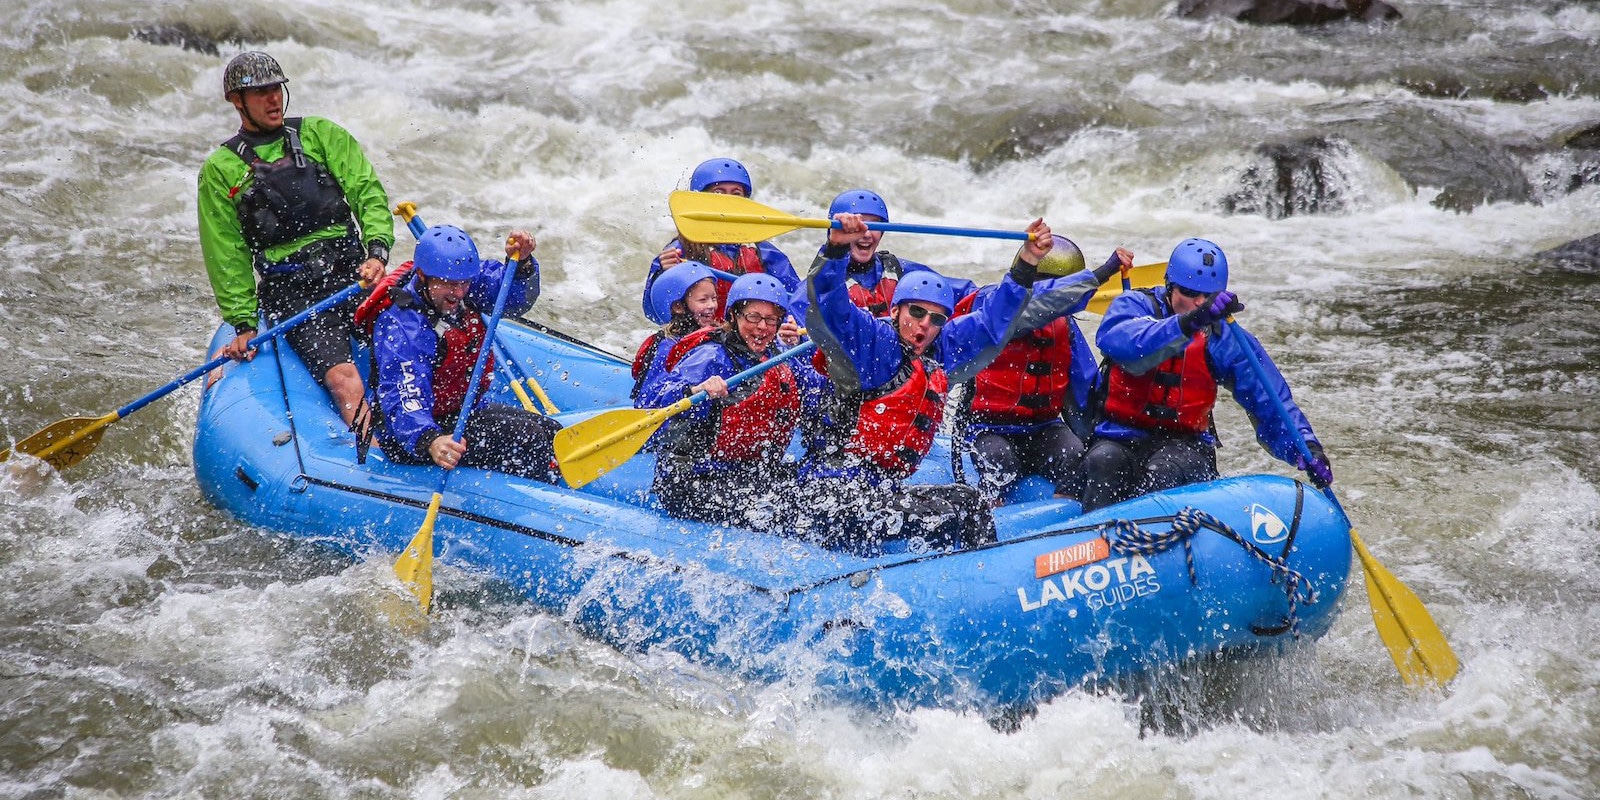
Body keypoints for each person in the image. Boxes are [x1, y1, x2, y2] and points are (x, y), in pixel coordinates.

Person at [794, 213, 1054, 552]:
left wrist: (1027, 263)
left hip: (881, 490)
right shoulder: (872, 342)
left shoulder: (939, 348)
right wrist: (835, 248)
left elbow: (992, 323)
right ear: (898, 310)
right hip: (833, 493)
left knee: (969, 502)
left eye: (936, 319)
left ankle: (978, 576)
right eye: (916, 313)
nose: (923, 325)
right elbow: (831, 302)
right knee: (946, 516)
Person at [197, 51, 395, 429]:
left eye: (276, 89)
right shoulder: (221, 170)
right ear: (237, 101)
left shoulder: (322, 134)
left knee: (414, 346)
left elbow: (366, 192)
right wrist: (243, 323)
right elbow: (226, 251)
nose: (273, 99)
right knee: (343, 379)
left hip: (354, 272)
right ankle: (371, 453)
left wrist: (377, 251)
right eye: (261, 93)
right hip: (294, 293)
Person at [1080, 238, 1333, 511]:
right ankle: (1093, 544)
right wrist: (1189, 323)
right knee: (1102, 462)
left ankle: (1161, 543)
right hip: (1119, 436)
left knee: (1162, 472)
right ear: (1170, 286)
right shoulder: (1134, 306)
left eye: (1207, 297)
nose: (1199, 303)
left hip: (1185, 447)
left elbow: (1270, 400)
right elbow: (1120, 342)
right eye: (1190, 293)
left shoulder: (1223, 337)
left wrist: (1306, 446)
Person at [366, 225, 560, 481]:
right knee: (527, 438)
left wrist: (522, 264)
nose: (458, 293)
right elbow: (403, 395)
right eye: (449, 285)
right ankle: (533, 505)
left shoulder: (461, 284)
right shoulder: (403, 327)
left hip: (458, 414)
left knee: (551, 431)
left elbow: (511, 299)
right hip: (418, 436)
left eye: (463, 283)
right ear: (423, 276)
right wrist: (431, 441)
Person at [637, 274, 825, 528]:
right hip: (694, 478)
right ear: (735, 316)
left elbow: (819, 396)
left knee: (821, 495)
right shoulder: (712, 355)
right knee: (783, 511)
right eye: (753, 317)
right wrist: (694, 389)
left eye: (771, 320)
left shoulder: (780, 358)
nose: (762, 328)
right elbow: (649, 402)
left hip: (749, 473)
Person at [955, 238, 1134, 504]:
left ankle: (1070, 527)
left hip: (1043, 429)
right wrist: (1104, 272)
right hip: (990, 428)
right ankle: (992, 518)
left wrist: (1107, 437)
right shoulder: (992, 307)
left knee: (1075, 455)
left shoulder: (1065, 328)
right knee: (999, 461)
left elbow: (1084, 390)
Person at [641, 157, 800, 318]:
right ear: (700, 200)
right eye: (718, 193)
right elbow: (654, 313)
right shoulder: (678, 252)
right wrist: (663, 275)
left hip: (752, 335)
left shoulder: (764, 251)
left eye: (736, 194)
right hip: (702, 335)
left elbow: (797, 303)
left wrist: (789, 330)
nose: (728, 200)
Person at [824, 188, 976, 315]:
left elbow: (965, 294)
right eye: (858, 226)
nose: (867, 234)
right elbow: (807, 316)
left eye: (874, 225)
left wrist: (993, 296)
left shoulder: (900, 271)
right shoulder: (823, 283)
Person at [630, 260, 719, 402]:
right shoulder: (668, 346)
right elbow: (648, 399)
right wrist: (692, 391)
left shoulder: (711, 336)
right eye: (703, 300)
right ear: (678, 306)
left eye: (714, 298)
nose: (712, 305)